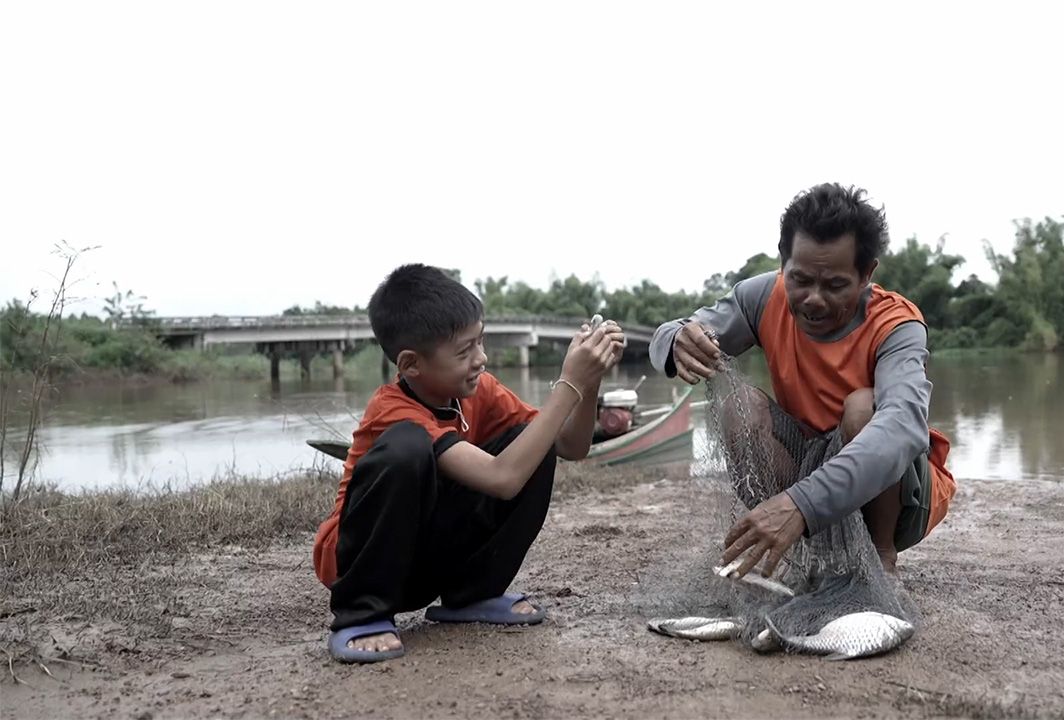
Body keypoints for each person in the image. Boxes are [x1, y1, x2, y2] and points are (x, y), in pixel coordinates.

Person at [313, 264, 624, 663]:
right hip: (359, 563)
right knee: (406, 448)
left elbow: (568, 444)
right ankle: (362, 614)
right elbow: (503, 479)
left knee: (533, 439)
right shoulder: (392, 410)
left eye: (480, 341)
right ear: (411, 364)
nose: (482, 358)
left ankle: (471, 594)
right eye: (465, 351)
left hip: (422, 561)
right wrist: (569, 382)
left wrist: (589, 380)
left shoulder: (478, 390)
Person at [650, 182, 956, 578]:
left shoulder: (897, 325)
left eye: (834, 285)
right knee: (738, 406)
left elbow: (902, 428)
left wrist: (801, 503)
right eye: (800, 279)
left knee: (864, 407)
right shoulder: (760, 297)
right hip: (805, 468)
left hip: (898, 496)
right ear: (783, 263)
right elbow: (678, 331)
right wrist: (675, 341)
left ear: (866, 274)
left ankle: (881, 563)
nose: (813, 298)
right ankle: (796, 554)